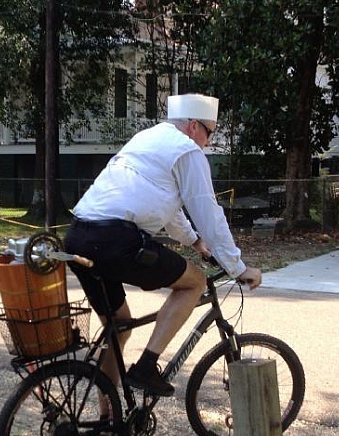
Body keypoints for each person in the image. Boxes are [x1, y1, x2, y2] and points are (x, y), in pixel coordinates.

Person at [64, 93, 262, 397]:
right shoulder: (187, 151)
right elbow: (208, 213)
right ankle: (146, 367)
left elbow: (167, 207)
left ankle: (107, 422)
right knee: (194, 283)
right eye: (209, 133)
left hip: (79, 236)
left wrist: (195, 241)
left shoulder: (148, 138)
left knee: (120, 327)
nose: (208, 143)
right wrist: (238, 267)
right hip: (117, 240)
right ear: (194, 126)